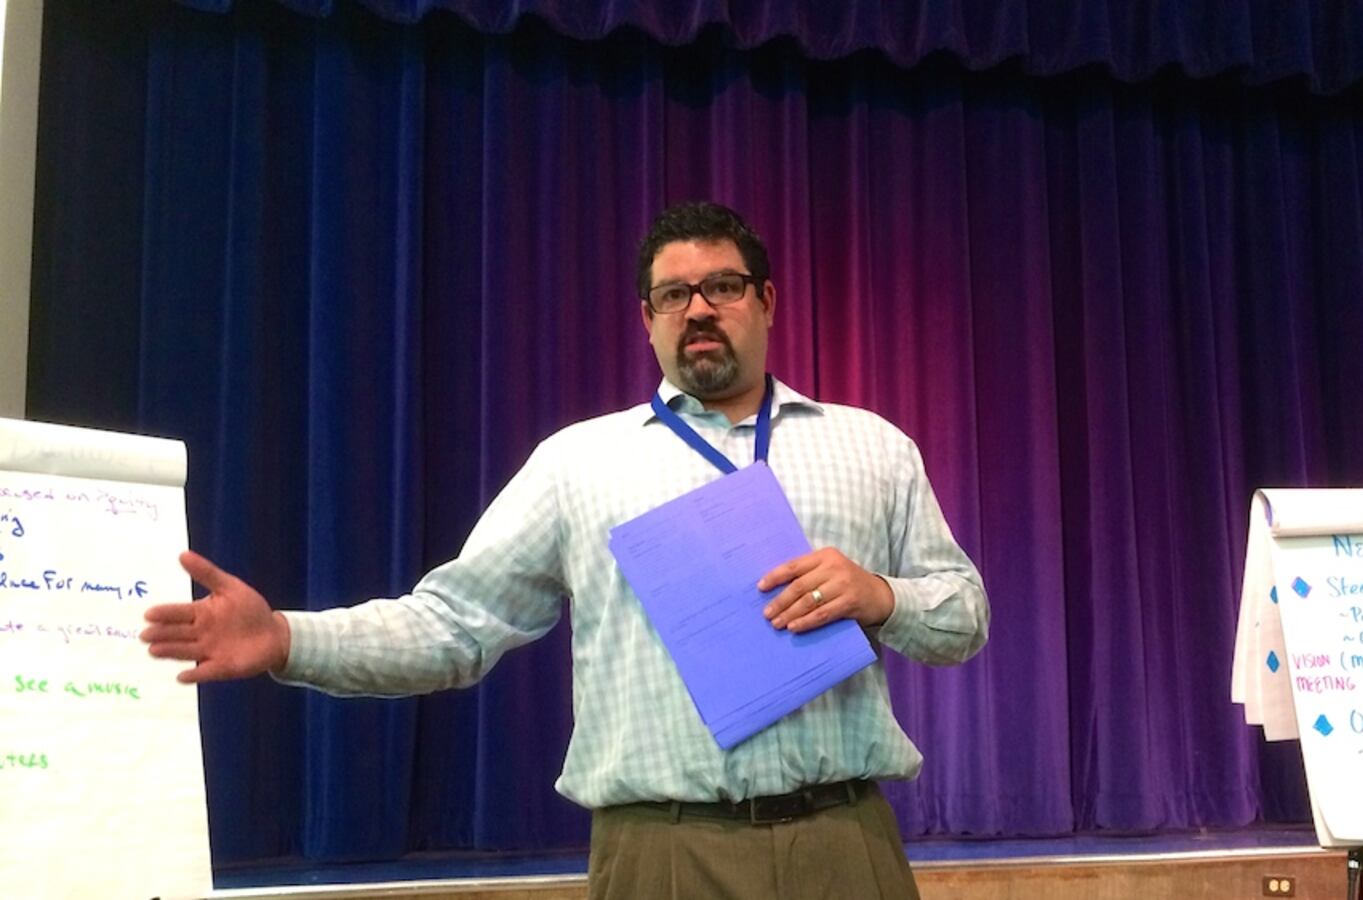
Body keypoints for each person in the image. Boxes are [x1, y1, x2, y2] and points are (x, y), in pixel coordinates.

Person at [142, 201, 989, 899]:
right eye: (672, 295)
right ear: (646, 319)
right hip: (662, 856)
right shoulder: (578, 463)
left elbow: (964, 613)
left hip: (845, 846)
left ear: (766, 299)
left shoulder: (872, 447)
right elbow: (454, 625)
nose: (698, 309)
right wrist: (286, 637)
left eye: (723, 286)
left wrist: (881, 595)